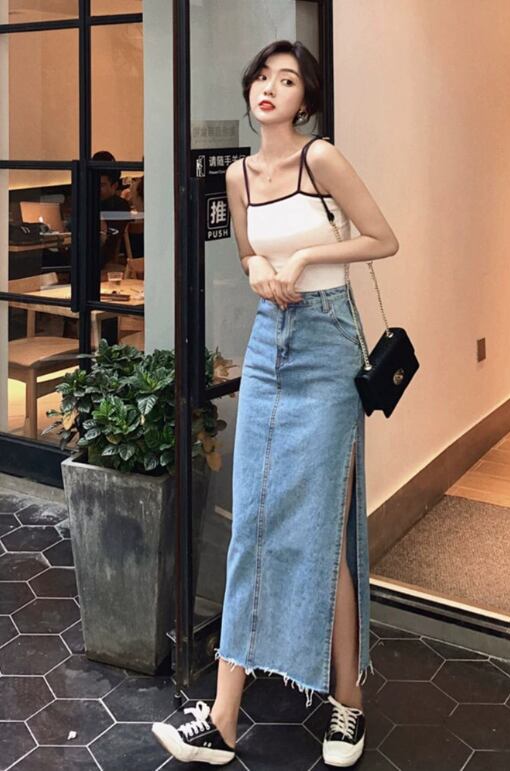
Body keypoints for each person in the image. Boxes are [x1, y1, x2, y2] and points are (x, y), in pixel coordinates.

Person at [151, 39, 399, 767]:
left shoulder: (321, 160)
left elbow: (383, 239)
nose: (270, 87)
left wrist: (304, 257)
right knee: (253, 524)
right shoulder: (237, 175)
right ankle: (222, 720)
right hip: (269, 347)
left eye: (286, 80)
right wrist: (261, 267)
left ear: (305, 99)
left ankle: (348, 702)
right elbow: (245, 254)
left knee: (321, 529)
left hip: (327, 346)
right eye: (263, 76)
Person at [92, 150, 132, 273]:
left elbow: (108, 244)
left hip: (97, 260)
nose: (95, 188)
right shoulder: (86, 201)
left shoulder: (119, 206)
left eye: (101, 185)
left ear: (114, 186)